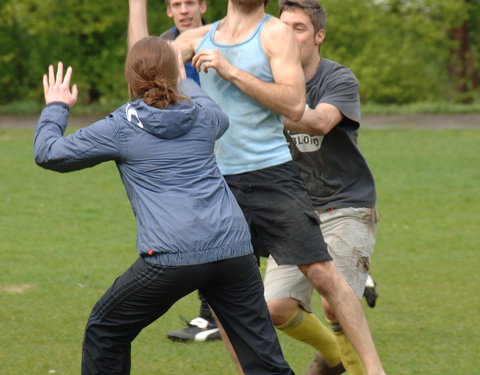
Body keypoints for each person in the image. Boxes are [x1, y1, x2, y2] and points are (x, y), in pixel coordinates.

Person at [128, 2, 387, 375]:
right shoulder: (199, 37)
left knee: (323, 276)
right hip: (218, 185)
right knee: (226, 296)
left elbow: (296, 105)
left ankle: (374, 371)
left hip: (274, 177)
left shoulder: (274, 34)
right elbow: (145, 61)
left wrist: (230, 71)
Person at [34, 38, 294, 375]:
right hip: (234, 249)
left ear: (130, 79)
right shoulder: (206, 117)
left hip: (173, 256)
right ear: (174, 74)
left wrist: (56, 105)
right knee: (263, 357)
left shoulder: (120, 126)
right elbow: (211, 106)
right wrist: (181, 70)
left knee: (106, 327)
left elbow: (48, 152)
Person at [263, 1, 381, 374]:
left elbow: (318, 123)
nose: (288, 35)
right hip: (298, 208)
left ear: (318, 36)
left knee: (334, 302)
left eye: (299, 28)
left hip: (347, 204)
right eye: (283, 27)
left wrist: (264, 105)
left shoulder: (337, 79)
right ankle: (334, 358)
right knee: (276, 308)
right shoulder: (267, 79)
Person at [153, 0, 222, 343]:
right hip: (184, 150)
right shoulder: (164, 46)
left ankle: (214, 316)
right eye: (176, 4)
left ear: (203, 5)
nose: (183, 9)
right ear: (168, 10)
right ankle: (214, 315)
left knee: (222, 230)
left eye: (189, 2)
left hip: (225, 144)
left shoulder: (222, 37)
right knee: (205, 229)